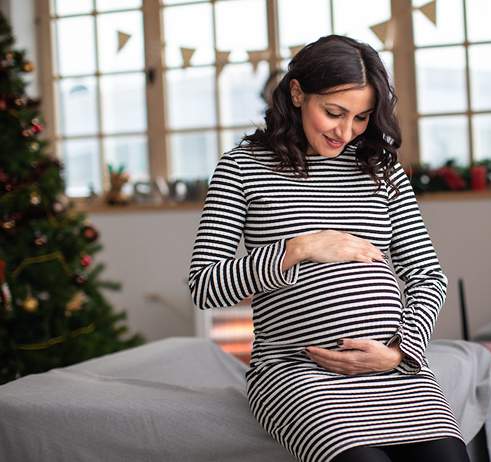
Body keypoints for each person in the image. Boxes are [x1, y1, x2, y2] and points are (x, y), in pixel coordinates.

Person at [186, 35, 470, 462]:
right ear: (297, 93)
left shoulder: (380, 167)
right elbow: (204, 286)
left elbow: (428, 275)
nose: (345, 131)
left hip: (393, 373)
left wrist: (398, 352)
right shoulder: (241, 166)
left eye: (360, 118)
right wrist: (297, 248)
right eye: (334, 113)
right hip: (297, 375)